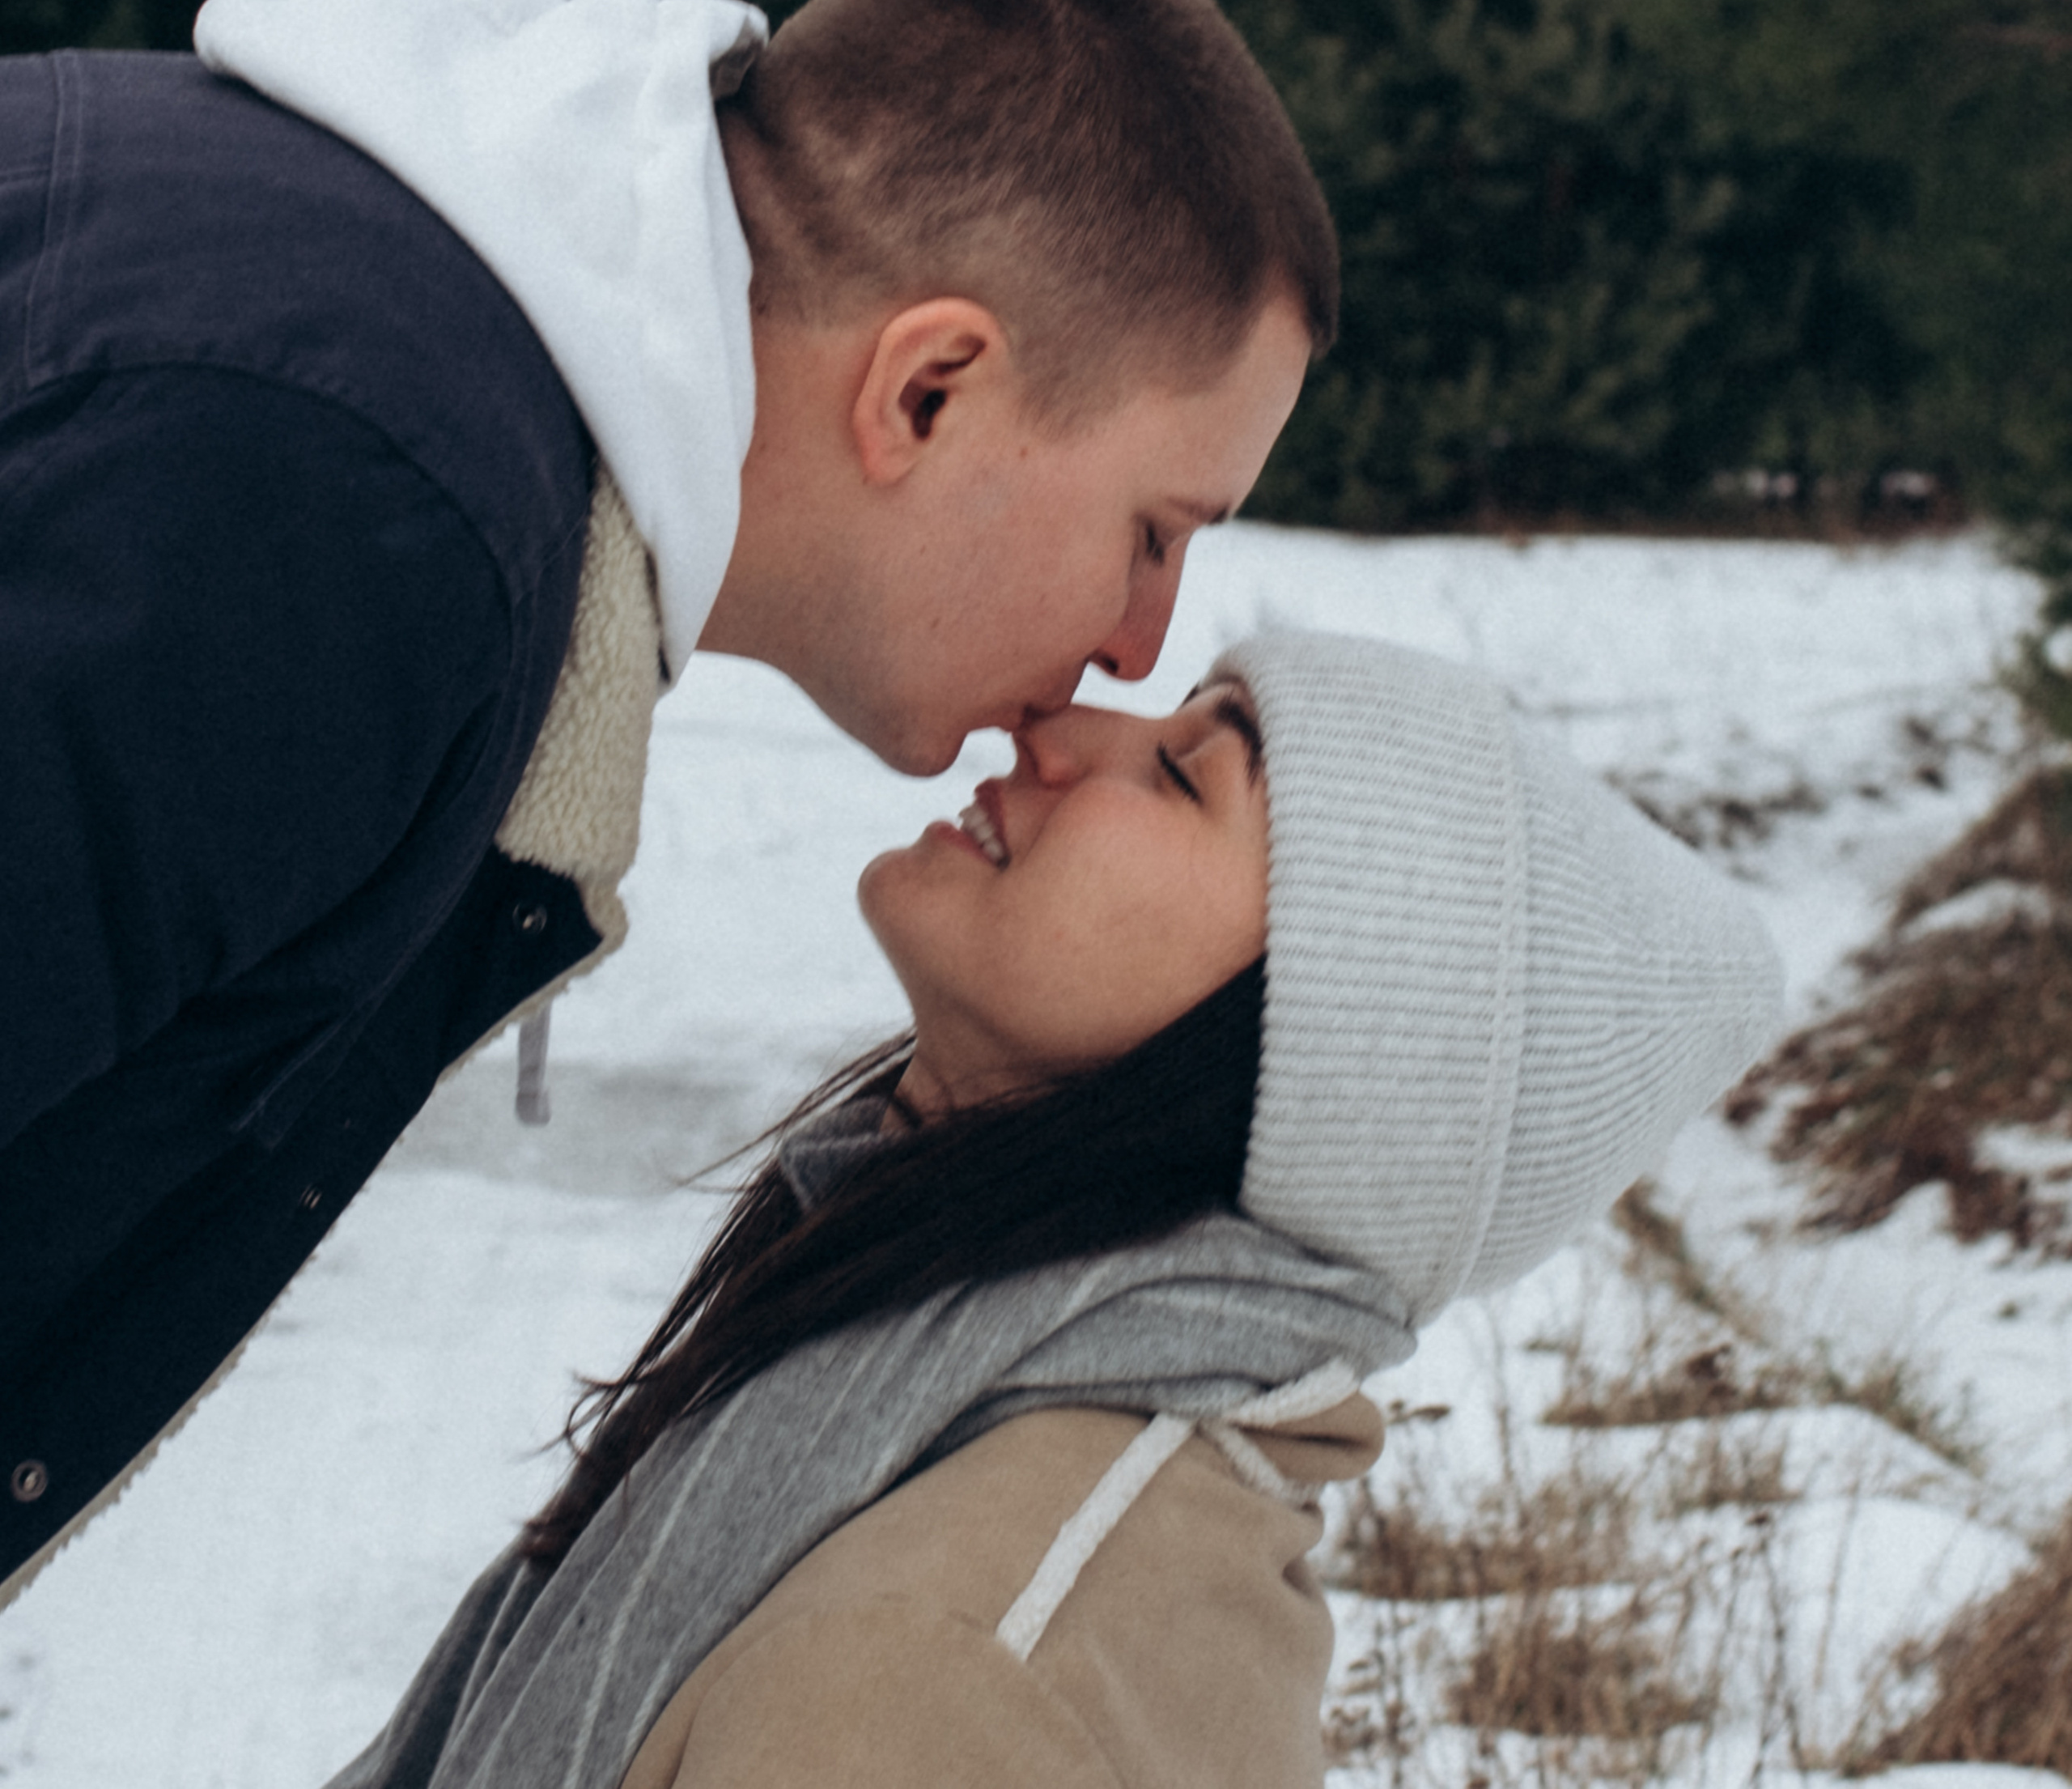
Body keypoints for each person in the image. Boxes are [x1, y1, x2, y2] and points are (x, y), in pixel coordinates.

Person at [0, 0, 1334, 1604]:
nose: (1141, 647)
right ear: (927, 391)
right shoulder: (349, 525)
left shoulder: (340, 338)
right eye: (1154, 530)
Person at [328, 627, 1782, 1789]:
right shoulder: (908, 1426)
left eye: (1184, 777)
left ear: (1323, 1055)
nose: (1064, 730)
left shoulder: (943, 1675)